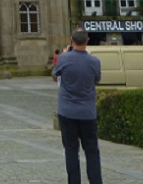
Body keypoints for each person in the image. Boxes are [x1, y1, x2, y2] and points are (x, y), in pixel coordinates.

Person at [52, 30, 102, 184]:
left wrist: (65, 54)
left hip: (67, 112)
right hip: (87, 112)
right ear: (87, 40)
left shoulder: (63, 59)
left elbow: (55, 77)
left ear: (72, 40)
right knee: (92, 151)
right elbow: (96, 80)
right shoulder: (94, 61)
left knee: (71, 151)